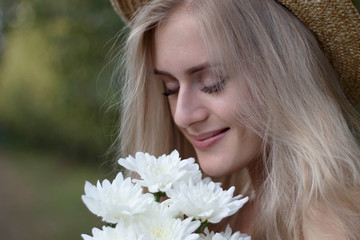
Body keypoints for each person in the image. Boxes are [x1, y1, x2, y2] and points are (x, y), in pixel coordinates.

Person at [110, 0, 360, 239]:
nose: (182, 116)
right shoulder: (210, 223)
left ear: (282, 76)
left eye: (212, 83)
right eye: (170, 88)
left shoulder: (340, 224)